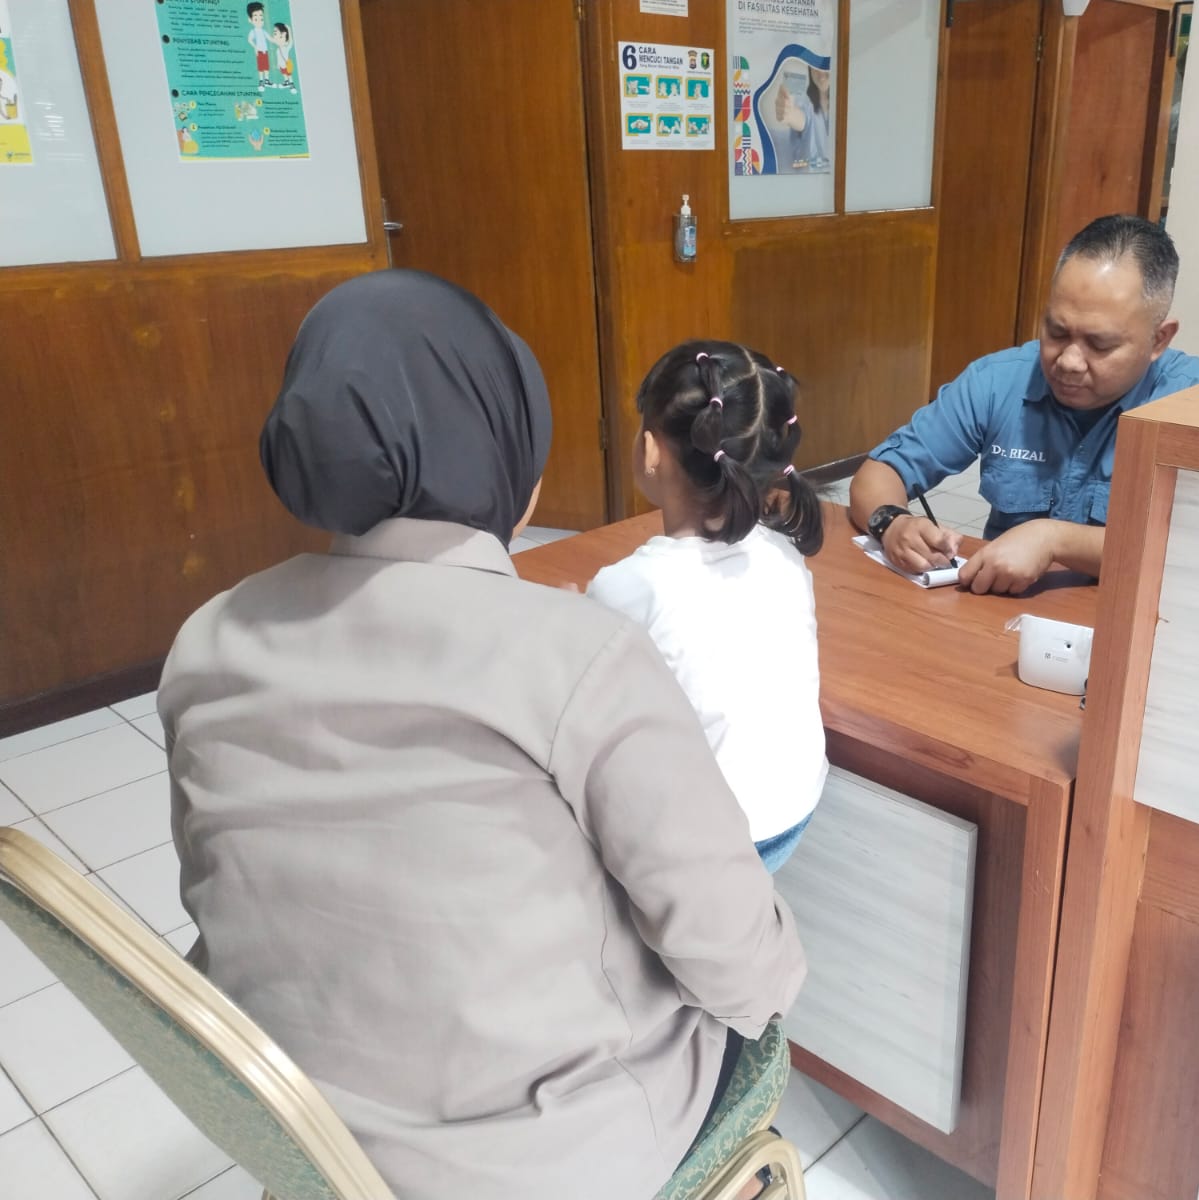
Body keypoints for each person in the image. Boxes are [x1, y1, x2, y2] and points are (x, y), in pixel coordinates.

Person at [158, 271, 805, 1200]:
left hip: (304, 1138)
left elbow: (216, 887)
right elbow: (735, 961)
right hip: (543, 1164)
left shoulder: (207, 640)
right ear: (509, 460)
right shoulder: (580, 658)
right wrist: (774, 979)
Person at [849, 214, 1199, 593]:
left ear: (1159, 340)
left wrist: (1056, 540)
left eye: (1100, 344)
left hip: (1143, 613)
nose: (1069, 361)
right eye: (1057, 332)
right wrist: (893, 522)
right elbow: (879, 473)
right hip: (1002, 610)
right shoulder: (998, 380)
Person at [588, 340, 827, 873]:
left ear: (650, 451)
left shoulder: (629, 586)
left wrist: (575, 621)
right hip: (794, 813)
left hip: (708, 851)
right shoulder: (786, 555)